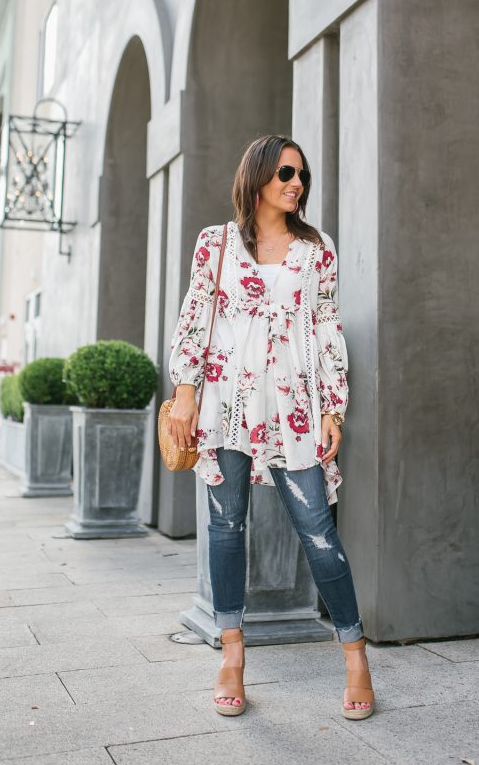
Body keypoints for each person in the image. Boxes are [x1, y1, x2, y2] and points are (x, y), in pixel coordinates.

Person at [167, 134, 375, 720]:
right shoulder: (215, 243)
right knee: (227, 527)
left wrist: (333, 406)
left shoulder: (317, 249)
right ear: (256, 174)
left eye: (302, 175)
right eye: (286, 171)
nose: (296, 183)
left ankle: (355, 657)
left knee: (318, 531)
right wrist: (185, 398)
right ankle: (231, 655)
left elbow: (329, 329)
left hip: (292, 407)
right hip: (225, 405)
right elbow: (194, 323)